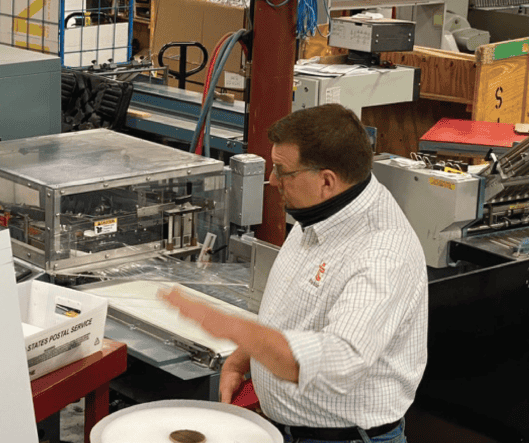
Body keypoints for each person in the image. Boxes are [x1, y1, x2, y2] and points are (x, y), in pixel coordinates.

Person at [161, 103, 428, 443]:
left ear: (326, 181)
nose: (272, 182)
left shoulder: (382, 254)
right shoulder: (324, 211)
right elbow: (294, 312)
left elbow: (334, 364)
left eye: (282, 171)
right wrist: (241, 361)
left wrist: (229, 326)